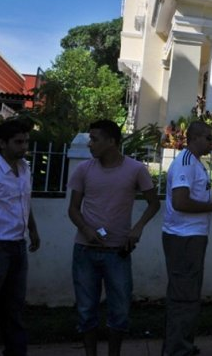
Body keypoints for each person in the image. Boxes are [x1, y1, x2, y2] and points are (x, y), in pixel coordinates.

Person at [68, 119, 160, 356]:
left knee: (119, 311)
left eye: (95, 139)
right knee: (87, 310)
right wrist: (87, 230)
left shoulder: (135, 169)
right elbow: (73, 209)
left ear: (111, 141)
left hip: (117, 253)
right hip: (85, 251)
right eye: (90, 139)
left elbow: (153, 203)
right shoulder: (84, 170)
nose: (90, 144)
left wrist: (138, 228)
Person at [162, 121, 212, 356]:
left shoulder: (194, 163)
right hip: (183, 238)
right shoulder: (185, 163)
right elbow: (180, 202)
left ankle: (182, 345)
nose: (211, 142)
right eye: (207, 137)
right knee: (183, 297)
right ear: (193, 138)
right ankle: (176, 350)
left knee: (189, 295)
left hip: (192, 237)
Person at [0, 119, 40, 356]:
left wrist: (33, 229)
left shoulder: (24, 167)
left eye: (25, 141)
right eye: (18, 142)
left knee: (14, 305)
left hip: (18, 244)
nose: (24, 146)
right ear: (2, 143)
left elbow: (25, 201)